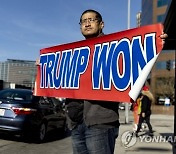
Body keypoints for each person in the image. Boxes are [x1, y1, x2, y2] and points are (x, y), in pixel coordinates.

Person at [35, 9, 168, 154]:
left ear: (101, 24)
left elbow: (136, 59)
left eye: (91, 20)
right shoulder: (73, 54)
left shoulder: (114, 48)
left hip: (101, 124)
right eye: (83, 21)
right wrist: (46, 66)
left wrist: (155, 41)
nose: (87, 24)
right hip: (76, 124)